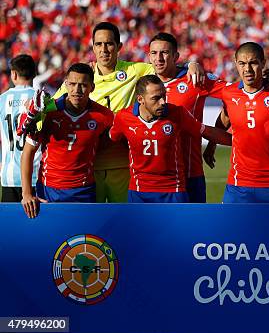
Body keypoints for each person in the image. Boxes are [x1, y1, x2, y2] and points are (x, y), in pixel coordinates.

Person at [33, 21, 205, 203]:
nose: (104, 49)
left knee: (124, 226)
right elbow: (49, 110)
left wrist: (191, 64)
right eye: (99, 44)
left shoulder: (135, 70)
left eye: (109, 43)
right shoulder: (81, 80)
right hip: (90, 171)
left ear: (119, 47)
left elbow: (164, 65)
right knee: (94, 229)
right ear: (93, 47)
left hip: (122, 168)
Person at [108, 75, 231, 203]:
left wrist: (238, 141)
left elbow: (206, 131)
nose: (162, 102)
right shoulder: (124, 118)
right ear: (140, 99)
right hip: (139, 190)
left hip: (173, 189)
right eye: (156, 98)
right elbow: (114, 138)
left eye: (163, 96)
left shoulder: (177, 114)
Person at [20, 63, 114, 218]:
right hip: (49, 189)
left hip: (84, 191)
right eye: (72, 84)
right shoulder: (47, 113)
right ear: (65, 84)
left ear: (92, 87)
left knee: (83, 240)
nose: (76, 90)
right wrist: (26, 193)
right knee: (50, 240)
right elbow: (28, 153)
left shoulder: (104, 116)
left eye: (83, 85)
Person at [149, 32, 226, 203]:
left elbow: (234, 95)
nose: (159, 58)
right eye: (154, 53)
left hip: (190, 173)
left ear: (175, 56)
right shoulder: (143, 81)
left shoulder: (194, 79)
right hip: (153, 177)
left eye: (165, 53)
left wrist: (213, 142)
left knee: (192, 228)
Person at [212, 42, 269, 203]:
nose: (247, 69)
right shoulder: (229, 93)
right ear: (235, 63)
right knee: (230, 228)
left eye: (253, 63)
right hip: (238, 183)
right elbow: (224, 120)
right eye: (242, 63)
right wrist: (211, 146)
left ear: (263, 63)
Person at [0, 55, 40, 202]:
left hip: (8, 176)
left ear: (13, 74)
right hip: (35, 175)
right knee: (35, 224)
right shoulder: (40, 99)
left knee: (10, 225)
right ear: (35, 74)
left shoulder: (2, 100)